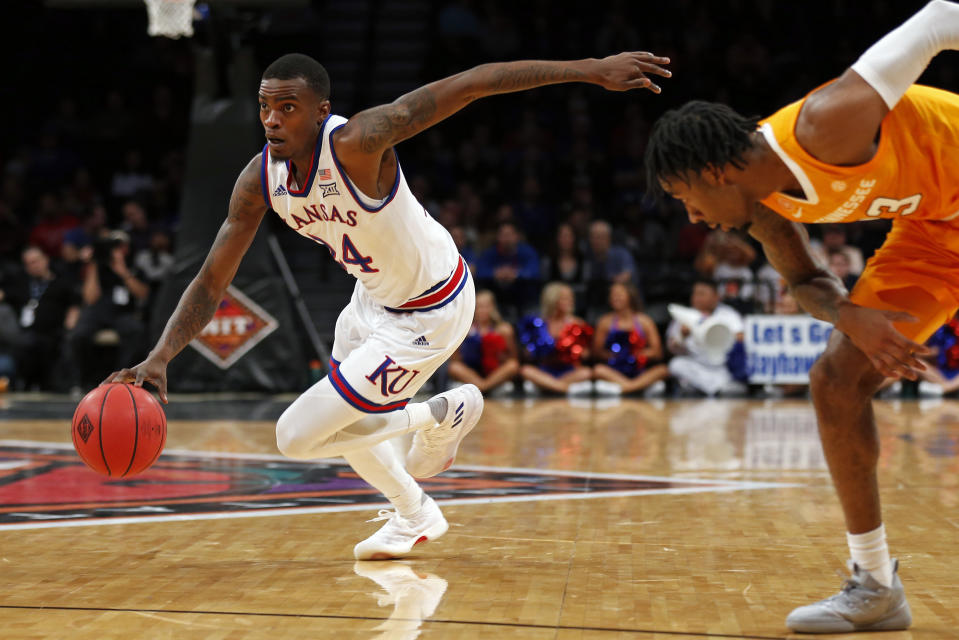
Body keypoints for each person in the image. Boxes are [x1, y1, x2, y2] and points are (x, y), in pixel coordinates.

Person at [108, 51, 671, 560]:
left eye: (288, 107)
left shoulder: (358, 141)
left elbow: (472, 82)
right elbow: (211, 279)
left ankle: (441, 412)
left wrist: (588, 68)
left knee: (296, 437)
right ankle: (415, 513)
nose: (273, 120)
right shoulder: (260, 180)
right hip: (371, 301)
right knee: (357, 429)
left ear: (320, 110)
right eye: (264, 108)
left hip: (434, 307)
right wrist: (160, 356)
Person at [644, 1, 959, 631]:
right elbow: (809, 281)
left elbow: (941, 18)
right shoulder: (762, 208)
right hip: (933, 236)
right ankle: (874, 585)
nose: (693, 219)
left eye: (685, 199)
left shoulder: (825, 125)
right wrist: (851, 317)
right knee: (835, 383)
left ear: (711, 170)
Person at [665, 278, 745, 397]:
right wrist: (682, 336)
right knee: (676, 364)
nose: (696, 298)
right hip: (696, 364)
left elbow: (740, 337)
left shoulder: (728, 314)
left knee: (729, 375)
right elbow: (672, 348)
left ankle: (701, 388)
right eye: (695, 293)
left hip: (721, 365)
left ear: (716, 296)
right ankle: (716, 389)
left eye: (701, 294)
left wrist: (717, 334)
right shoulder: (683, 316)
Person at [592, 282, 669, 396]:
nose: (615, 298)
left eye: (619, 294)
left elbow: (657, 352)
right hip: (615, 370)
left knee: (663, 370)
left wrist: (636, 354)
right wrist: (616, 355)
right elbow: (596, 352)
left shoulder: (645, 321)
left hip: (639, 370)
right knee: (598, 370)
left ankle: (625, 388)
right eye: (613, 295)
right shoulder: (605, 322)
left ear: (630, 296)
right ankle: (638, 388)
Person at [518, 281, 594, 395]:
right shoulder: (539, 323)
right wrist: (533, 350)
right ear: (552, 300)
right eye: (565, 298)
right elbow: (528, 354)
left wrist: (577, 351)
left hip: (569, 371)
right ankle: (564, 389)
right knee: (525, 371)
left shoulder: (578, 323)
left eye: (571, 298)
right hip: (546, 370)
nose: (570, 301)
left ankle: (547, 387)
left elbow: (587, 354)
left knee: (587, 372)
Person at [448, 290, 520, 394]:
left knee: (513, 365)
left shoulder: (504, 329)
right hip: (472, 373)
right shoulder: (464, 329)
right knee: (453, 367)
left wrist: (501, 354)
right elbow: (456, 359)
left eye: (486, 306)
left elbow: (513, 358)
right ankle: (483, 386)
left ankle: (483, 387)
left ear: (493, 308)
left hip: (495, 373)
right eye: (479, 307)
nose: (482, 310)